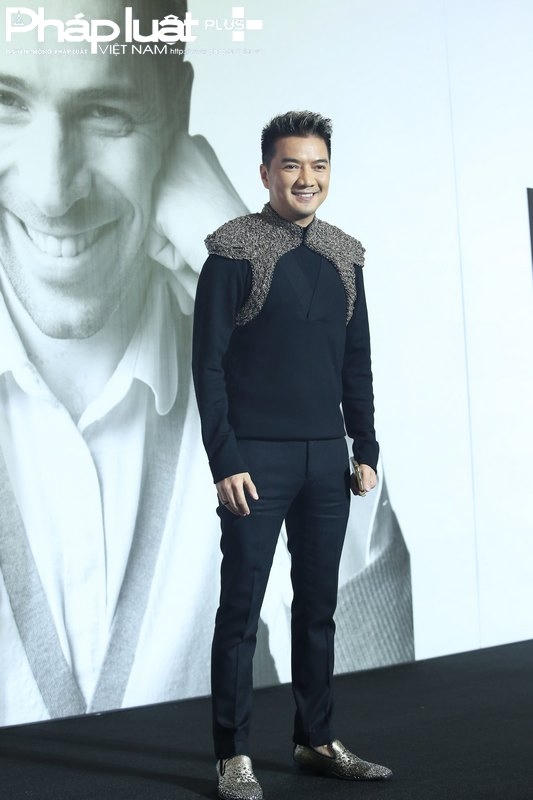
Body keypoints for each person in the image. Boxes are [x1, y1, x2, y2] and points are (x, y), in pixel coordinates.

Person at [192, 110, 394, 800]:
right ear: (265, 173)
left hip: (326, 461)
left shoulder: (344, 254)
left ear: (328, 172)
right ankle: (232, 756)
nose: (306, 178)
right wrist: (225, 459)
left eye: (318, 165)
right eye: (290, 165)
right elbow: (207, 366)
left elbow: (356, 362)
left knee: (316, 608)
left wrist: (365, 446)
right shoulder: (232, 251)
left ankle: (316, 740)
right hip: (253, 463)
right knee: (240, 611)